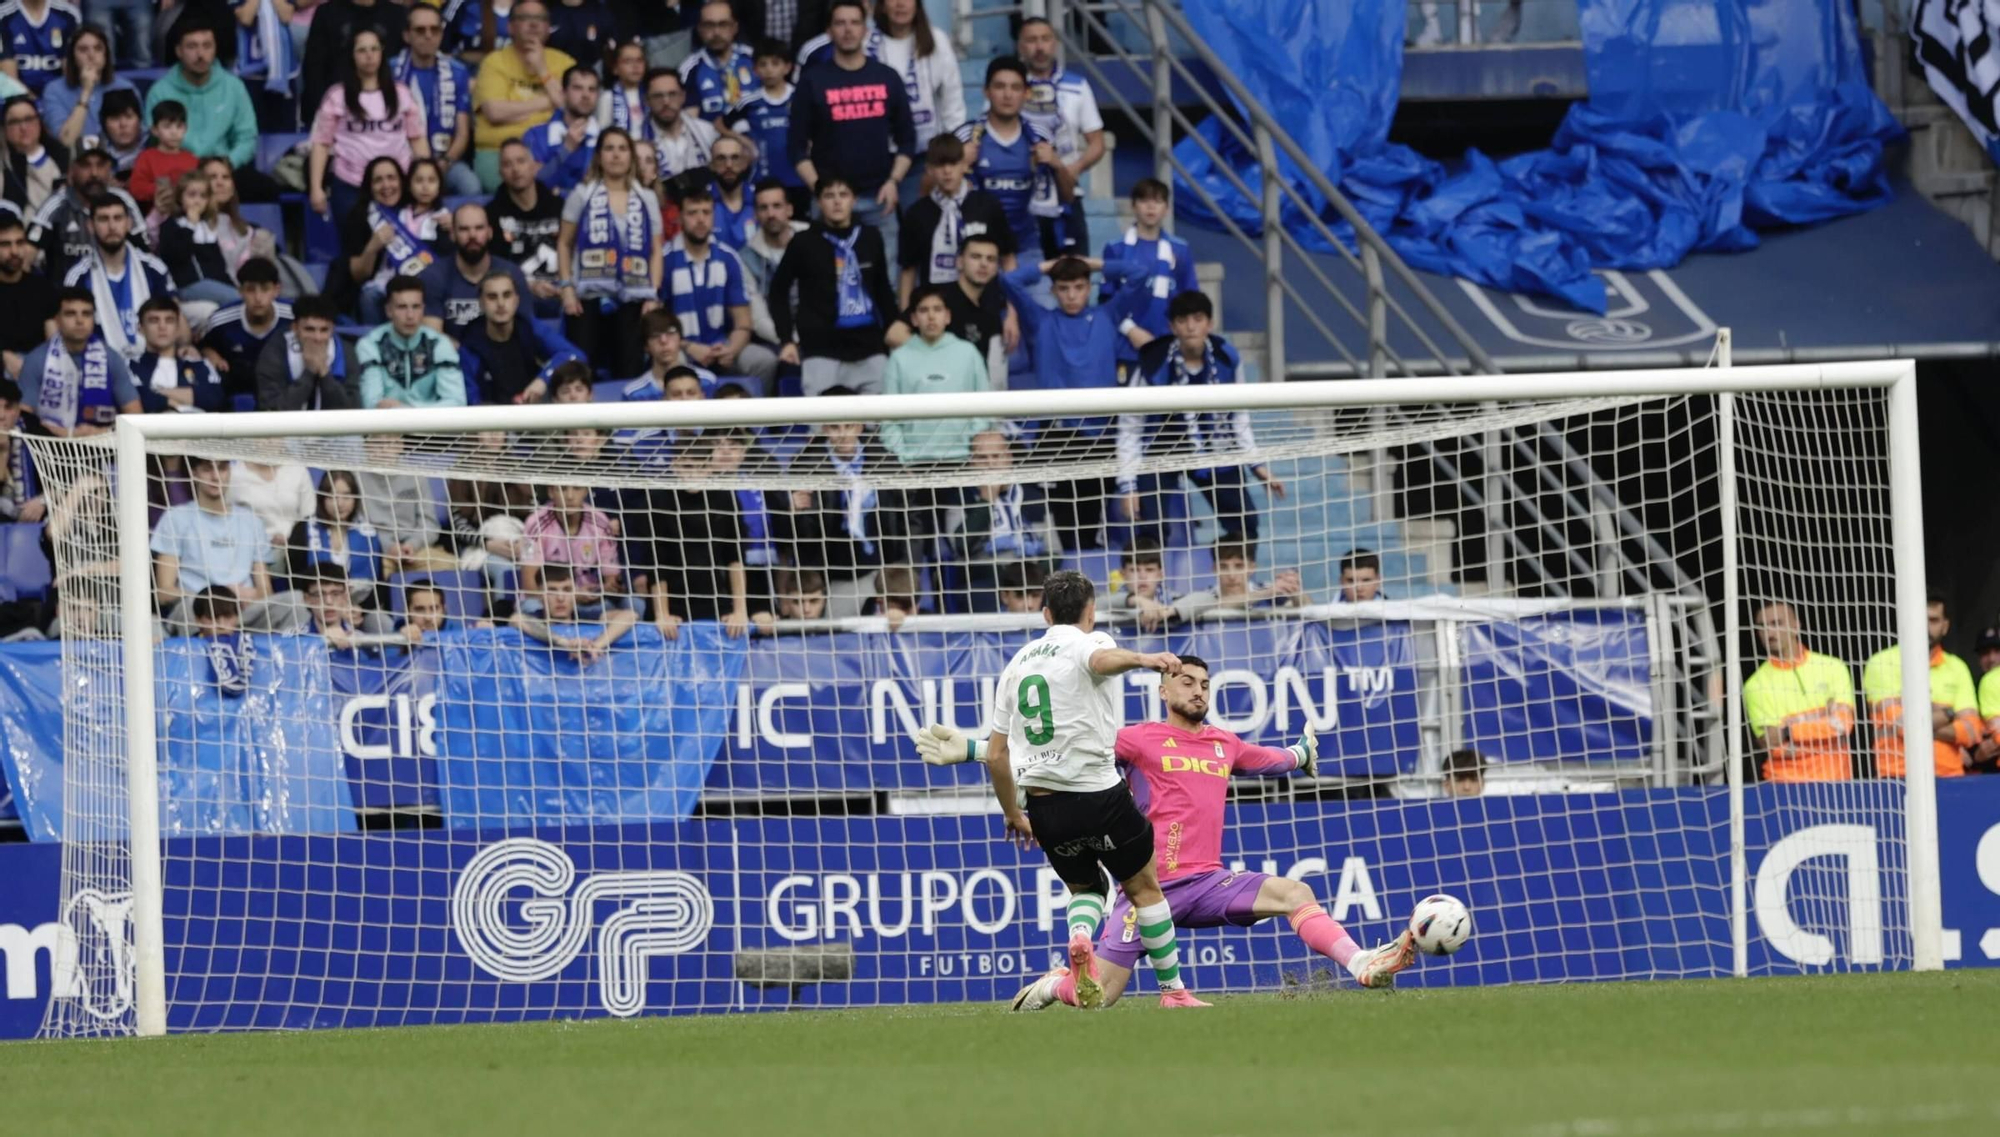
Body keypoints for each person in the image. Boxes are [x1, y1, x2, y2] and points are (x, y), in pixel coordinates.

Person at [922, 653, 1415, 1010]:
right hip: (1145, 889)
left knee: (1294, 891)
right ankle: (1055, 985)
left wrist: (1302, 754)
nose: (1198, 690)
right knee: (1103, 997)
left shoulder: (1226, 744)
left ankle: (1362, 965)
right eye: (1186, 682)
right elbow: (1059, 753)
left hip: (1207, 884)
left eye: (1204, 684)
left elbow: (1277, 761)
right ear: (1163, 689)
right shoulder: (1136, 739)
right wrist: (972, 748)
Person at [966, 569, 1204, 1008]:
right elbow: (1099, 663)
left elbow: (998, 756)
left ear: (1045, 614)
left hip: (1044, 807)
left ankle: (1079, 936)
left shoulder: (1016, 665)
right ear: (1091, 612)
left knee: (1088, 889)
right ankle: (1174, 992)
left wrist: (1012, 813)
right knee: (1145, 887)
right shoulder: (1091, 642)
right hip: (1099, 795)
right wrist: (1145, 659)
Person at [1002, 255, 1152, 552]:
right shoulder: (1040, 321)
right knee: (1065, 524)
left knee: (1094, 520)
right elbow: (1008, 280)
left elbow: (1140, 271)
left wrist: (1089, 262)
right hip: (1056, 436)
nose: (1072, 295)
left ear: (1090, 288)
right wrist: (1049, 265)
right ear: (1053, 290)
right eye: (1064, 288)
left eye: (1079, 287)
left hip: (1101, 437)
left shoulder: (1108, 315)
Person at [1118, 290, 1284, 546]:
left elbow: (1238, 416)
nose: (1191, 327)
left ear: (1210, 323)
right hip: (1162, 452)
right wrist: (1129, 485)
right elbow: (1130, 426)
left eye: (1198, 318)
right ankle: (1151, 584)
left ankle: (1239, 581)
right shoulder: (1153, 361)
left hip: (1215, 450)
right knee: (1148, 526)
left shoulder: (1227, 358)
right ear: (1172, 326)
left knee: (1245, 523)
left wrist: (1257, 465)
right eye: (1183, 320)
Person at [789, 1, 913, 258]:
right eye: (840, 23)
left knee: (885, 285)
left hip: (879, 199)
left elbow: (907, 140)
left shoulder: (887, 77)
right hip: (828, 202)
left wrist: (893, 182)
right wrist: (820, 191)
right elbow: (796, 147)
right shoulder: (813, 81)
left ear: (865, 30)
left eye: (855, 23)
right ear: (829, 31)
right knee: (827, 285)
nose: (848, 30)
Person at [768, 174, 895, 396]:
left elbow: (883, 290)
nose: (837, 201)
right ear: (819, 202)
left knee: (879, 427)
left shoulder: (871, 237)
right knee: (823, 427)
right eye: (829, 195)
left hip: (869, 348)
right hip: (821, 350)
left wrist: (894, 328)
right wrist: (786, 339)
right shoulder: (803, 242)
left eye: (843, 194)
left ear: (854, 200)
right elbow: (778, 292)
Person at [556, 126, 663, 379]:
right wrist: (566, 288)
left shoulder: (646, 198)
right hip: (587, 297)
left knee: (630, 368)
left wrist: (653, 294)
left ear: (631, 156)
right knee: (581, 369)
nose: (616, 155)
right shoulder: (582, 194)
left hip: (634, 295)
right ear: (599, 156)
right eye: (609, 148)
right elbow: (564, 243)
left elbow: (656, 250)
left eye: (622, 149)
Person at [634, 428, 755, 638]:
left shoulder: (724, 498)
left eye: (702, 467)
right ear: (675, 464)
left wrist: (740, 610)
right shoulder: (658, 501)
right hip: (671, 604)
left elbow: (735, 559)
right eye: (688, 466)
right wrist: (662, 614)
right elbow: (656, 563)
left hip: (714, 600)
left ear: (711, 467)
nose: (694, 473)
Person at [955, 55, 1070, 271]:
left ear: (1026, 93)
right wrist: (958, 164)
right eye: (999, 87)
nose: (1007, 95)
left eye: (1015, 87)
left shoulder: (1039, 136)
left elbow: (1069, 196)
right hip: (977, 250)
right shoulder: (966, 136)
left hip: (1026, 247)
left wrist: (1057, 164)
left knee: (1039, 303)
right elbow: (928, 190)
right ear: (986, 91)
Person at [309, 27, 428, 225]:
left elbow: (417, 139)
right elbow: (321, 143)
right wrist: (316, 187)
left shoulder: (402, 93)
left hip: (396, 184)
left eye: (374, 49)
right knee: (355, 250)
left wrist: (423, 180)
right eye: (362, 50)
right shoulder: (337, 95)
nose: (369, 55)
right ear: (352, 56)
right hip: (350, 183)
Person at [151, 454, 281, 634]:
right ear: (194, 473)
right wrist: (216, 598)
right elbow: (164, 592)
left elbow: (266, 591)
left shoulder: (251, 520)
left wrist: (249, 596)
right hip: (198, 610)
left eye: (222, 468)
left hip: (243, 611)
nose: (216, 476)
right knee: (189, 610)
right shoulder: (175, 518)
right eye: (207, 469)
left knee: (294, 603)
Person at [778, 404, 890, 612]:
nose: (843, 434)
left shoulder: (884, 458)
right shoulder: (804, 466)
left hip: (880, 566)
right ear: (825, 429)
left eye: (848, 426)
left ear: (860, 427)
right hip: (830, 571)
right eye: (835, 427)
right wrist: (792, 512)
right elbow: (790, 537)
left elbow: (907, 515)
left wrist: (904, 563)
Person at [663, 184, 775, 385]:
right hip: (681, 348)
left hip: (721, 347)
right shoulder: (665, 259)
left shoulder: (728, 257)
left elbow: (743, 323)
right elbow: (656, 326)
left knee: (764, 361)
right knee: (673, 364)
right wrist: (688, 347)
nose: (700, 219)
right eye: (692, 213)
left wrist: (731, 349)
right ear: (679, 218)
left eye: (706, 212)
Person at [1861, 593, 1980, 781]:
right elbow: (1901, 726)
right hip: (1896, 777)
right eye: (1918, 617)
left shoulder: (1957, 667)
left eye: (1933, 620)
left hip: (1950, 776)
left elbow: (1972, 731)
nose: (1925, 626)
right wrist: (1949, 714)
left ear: (1945, 626)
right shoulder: (1881, 663)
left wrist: (1917, 722)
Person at [144, 24, 268, 200]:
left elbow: (247, 137)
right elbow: (154, 138)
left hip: (224, 165)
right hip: (178, 171)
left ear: (215, 48)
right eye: (192, 46)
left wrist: (225, 165)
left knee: (266, 189)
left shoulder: (233, 86)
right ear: (179, 51)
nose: (200, 54)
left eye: (207, 46)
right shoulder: (160, 91)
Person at [1017, 16, 1103, 257]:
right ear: (1021, 47)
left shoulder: (1078, 86)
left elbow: (1097, 142)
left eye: (1045, 39)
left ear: (1055, 43)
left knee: (1073, 276)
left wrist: (1075, 168)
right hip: (1022, 197)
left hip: (1066, 195)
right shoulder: (1010, 87)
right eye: (1032, 40)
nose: (1040, 47)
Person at [1743, 601, 1855, 782]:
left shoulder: (1832, 667)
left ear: (1796, 626)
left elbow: (1843, 725)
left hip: (1836, 784)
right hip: (1783, 787)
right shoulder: (1755, 685)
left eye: (1776, 624)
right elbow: (1773, 747)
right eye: (1762, 627)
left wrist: (1787, 730)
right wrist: (1824, 725)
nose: (1769, 634)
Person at [471, 0, 575, 192]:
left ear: (548, 27)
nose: (534, 24)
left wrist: (542, 69)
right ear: (510, 26)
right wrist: (547, 102)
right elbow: (494, 112)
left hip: (551, 152)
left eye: (540, 19)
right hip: (497, 151)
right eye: (525, 18)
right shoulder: (494, 62)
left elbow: (572, 110)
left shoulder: (564, 62)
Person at [885, 230, 1011, 385]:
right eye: (975, 257)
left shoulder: (991, 307)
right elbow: (894, 335)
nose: (983, 264)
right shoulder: (940, 296)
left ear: (996, 268)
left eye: (990, 259)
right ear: (959, 262)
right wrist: (940, 360)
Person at [898, 132, 1011, 303]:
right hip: (936, 312)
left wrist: (1012, 312)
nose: (947, 171)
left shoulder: (988, 205)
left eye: (953, 163)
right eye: (940, 164)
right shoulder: (916, 214)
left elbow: (1008, 258)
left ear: (964, 166)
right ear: (929, 169)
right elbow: (908, 271)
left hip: (984, 305)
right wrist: (905, 319)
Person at [1099, 179, 1195, 373]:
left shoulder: (1181, 250)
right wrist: (1131, 331)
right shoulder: (1115, 249)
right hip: (1127, 347)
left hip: (1170, 346)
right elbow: (1106, 299)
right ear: (1133, 206)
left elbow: (1190, 300)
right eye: (1144, 201)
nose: (1151, 207)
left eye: (1158, 201)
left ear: (1167, 208)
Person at [61, 190, 170, 359]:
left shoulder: (154, 268)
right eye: (104, 219)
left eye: (118, 218)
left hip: (151, 362)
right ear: (90, 226)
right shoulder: (78, 276)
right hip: (99, 364)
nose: (112, 226)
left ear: (129, 223)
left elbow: (173, 317)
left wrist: (185, 346)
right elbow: (68, 330)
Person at [341, 156, 447, 325]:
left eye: (431, 180)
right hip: (387, 281)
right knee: (369, 296)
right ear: (410, 184)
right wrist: (372, 247)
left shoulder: (444, 219)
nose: (425, 186)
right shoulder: (389, 214)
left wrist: (454, 224)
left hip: (425, 283)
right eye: (419, 180)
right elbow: (358, 273)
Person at [953, 429, 1051, 611]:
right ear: (971, 462)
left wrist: (1029, 575)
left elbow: (1055, 551)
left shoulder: (1033, 496)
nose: (990, 463)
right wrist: (985, 501)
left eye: (996, 456)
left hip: (1033, 581)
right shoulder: (958, 497)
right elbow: (959, 545)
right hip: (986, 582)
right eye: (982, 458)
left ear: (1009, 457)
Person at [393, 2, 481, 198]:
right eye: (420, 30)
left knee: (471, 187)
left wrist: (446, 162)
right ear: (407, 35)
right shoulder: (391, 71)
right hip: (401, 159)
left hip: (446, 160)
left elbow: (462, 132)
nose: (428, 35)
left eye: (434, 29)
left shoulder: (457, 72)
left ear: (441, 34)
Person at [20, 284, 133, 434]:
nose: (80, 320)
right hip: (49, 449)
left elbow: (134, 416)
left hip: (103, 448)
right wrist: (69, 434)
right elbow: (22, 417)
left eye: (86, 314)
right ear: (57, 320)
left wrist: (101, 433)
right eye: (70, 314)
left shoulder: (111, 358)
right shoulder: (37, 360)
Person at [458, 268, 581, 403]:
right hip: (491, 418)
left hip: (533, 412)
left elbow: (574, 355)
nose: (500, 304)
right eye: (492, 297)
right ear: (481, 303)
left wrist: (542, 380)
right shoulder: (470, 344)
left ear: (516, 300)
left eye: (507, 295)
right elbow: (472, 402)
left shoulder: (528, 326)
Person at [419, 202, 532, 337]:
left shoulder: (512, 274)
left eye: (479, 228)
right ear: (452, 234)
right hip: (451, 356)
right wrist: (468, 356)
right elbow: (433, 337)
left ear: (489, 233)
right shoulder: (433, 276)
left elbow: (526, 331)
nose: (472, 235)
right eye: (464, 229)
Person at [28, 142, 135, 281]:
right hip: (66, 297)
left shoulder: (123, 201)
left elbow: (145, 253)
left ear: (109, 168)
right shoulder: (56, 205)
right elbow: (26, 255)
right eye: (86, 165)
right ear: (72, 170)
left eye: (100, 165)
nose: (94, 173)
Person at [356, 275, 464, 410]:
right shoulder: (370, 345)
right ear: (388, 310)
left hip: (431, 428)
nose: (410, 316)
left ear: (423, 309)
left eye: (416, 307)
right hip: (386, 427)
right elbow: (371, 404)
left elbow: (456, 402)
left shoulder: (439, 344)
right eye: (402, 307)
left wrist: (406, 411)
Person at [355, 435, 456, 575]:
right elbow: (356, 525)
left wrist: (412, 544)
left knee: (452, 565)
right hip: (376, 551)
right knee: (374, 571)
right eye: (377, 444)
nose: (384, 450)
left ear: (400, 445)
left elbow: (429, 522)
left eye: (390, 443)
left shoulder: (415, 476)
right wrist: (388, 546)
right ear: (366, 447)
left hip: (416, 550)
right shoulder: (355, 478)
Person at [300, 0, 408, 127]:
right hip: (337, 111)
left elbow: (405, 68)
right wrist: (323, 115)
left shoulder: (397, 14)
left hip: (387, 110)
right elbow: (313, 70)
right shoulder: (326, 13)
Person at [519, 482, 623, 611]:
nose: (569, 496)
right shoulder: (534, 524)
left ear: (586, 491)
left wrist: (602, 590)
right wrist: (571, 596)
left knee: (626, 605)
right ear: (551, 492)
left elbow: (611, 580)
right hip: (548, 601)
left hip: (589, 602)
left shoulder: (600, 522)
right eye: (562, 489)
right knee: (530, 607)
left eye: (577, 488)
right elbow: (530, 586)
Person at [197, 255, 288, 400]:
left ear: (276, 290)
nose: (258, 297)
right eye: (251, 290)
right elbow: (202, 346)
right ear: (240, 291)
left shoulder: (294, 317)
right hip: (236, 382)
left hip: (282, 382)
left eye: (265, 289)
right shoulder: (220, 320)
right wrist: (210, 354)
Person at [727, 38, 802, 213]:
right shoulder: (749, 101)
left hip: (798, 179)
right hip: (763, 179)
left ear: (787, 67)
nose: (769, 70)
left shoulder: (800, 97)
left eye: (775, 64)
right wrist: (743, 141)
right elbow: (720, 124)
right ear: (755, 69)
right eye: (763, 64)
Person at [511, 562, 637, 664]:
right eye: (552, 590)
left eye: (567, 590)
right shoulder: (536, 618)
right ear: (540, 594)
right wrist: (566, 643)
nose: (560, 598)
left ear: (575, 593)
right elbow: (516, 619)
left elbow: (630, 615)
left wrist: (596, 645)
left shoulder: (584, 617)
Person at [488, 138, 564, 305]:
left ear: (535, 167)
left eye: (521, 161)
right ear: (500, 172)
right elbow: (495, 266)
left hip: (561, 289)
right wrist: (528, 286)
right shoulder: (491, 214)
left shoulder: (560, 207)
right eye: (507, 164)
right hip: (514, 296)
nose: (515, 169)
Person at [288, 469, 382, 600]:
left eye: (346, 496)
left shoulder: (369, 533)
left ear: (356, 498)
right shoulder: (303, 529)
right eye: (332, 496)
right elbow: (294, 580)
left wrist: (359, 610)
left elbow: (378, 586)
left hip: (358, 608)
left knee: (382, 621)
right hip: (314, 604)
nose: (340, 504)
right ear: (322, 499)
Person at [41, 25, 137, 153]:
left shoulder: (125, 87)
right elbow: (66, 141)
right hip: (77, 161)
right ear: (73, 57)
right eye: (83, 49)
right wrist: (86, 91)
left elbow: (139, 137)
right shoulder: (54, 91)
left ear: (106, 54)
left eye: (98, 49)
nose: (91, 55)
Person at [256, 294, 358, 411]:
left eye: (324, 330)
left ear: (332, 329)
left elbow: (351, 411)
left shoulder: (346, 352)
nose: (317, 338)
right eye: (309, 329)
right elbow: (273, 409)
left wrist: (324, 373)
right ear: (295, 328)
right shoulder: (275, 350)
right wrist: (309, 372)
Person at [155, 167, 239, 307]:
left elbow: (219, 267)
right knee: (240, 301)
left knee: (240, 297)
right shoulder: (171, 225)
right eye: (192, 195)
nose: (197, 201)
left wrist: (231, 287)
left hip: (212, 286)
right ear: (180, 198)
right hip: (186, 286)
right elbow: (177, 256)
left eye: (203, 196)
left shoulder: (207, 226)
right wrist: (190, 227)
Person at [1169, 539, 1309, 622]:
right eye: (1223, 567)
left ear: (1252, 568)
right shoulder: (1205, 596)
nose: (1231, 575)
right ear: (1214, 569)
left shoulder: (1267, 589)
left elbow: (1308, 609)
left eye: (1239, 566)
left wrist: (1296, 593)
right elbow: (1220, 604)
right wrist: (1267, 593)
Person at [129, 293, 225, 413]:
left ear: (178, 328)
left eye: (169, 320)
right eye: (154, 320)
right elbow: (135, 400)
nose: (162, 326)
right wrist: (184, 398)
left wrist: (158, 391)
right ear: (140, 328)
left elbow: (214, 398)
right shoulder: (129, 364)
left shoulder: (199, 364)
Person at [738, 176, 802, 343]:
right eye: (763, 208)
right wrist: (790, 341)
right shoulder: (746, 257)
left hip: (818, 334)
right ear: (756, 214)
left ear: (789, 209)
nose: (771, 214)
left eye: (777, 206)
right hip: (776, 339)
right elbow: (759, 319)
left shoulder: (812, 239)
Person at [198, 156, 279, 281]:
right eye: (212, 177)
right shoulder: (187, 227)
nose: (220, 183)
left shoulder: (252, 233)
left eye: (226, 177)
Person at [525, 63, 599, 190]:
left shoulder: (606, 138)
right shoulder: (536, 136)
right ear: (563, 93)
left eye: (592, 89)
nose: (586, 95)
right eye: (578, 88)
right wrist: (567, 148)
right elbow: (533, 187)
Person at [677, 1, 754, 123]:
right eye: (709, 25)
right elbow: (689, 121)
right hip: (710, 139)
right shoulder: (689, 69)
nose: (716, 32)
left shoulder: (754, 59)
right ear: (699, 29)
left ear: (734, 28)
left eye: (723, 24)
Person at [0, 212, 56, 376]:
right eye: (5, 245)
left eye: (20, 243)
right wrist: (3, 356)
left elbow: (53, 340)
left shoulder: (41, 287)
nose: (15, 251)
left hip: (37, 371)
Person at [636, 65, 716, 181]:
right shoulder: (637, 138)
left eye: (672, 94)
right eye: (658, 96)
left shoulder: (707, 131)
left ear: (683, 97)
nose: (666, 102)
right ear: (646, 101)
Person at [299, 562, 399, 651]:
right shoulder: (294, 640)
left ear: (346, 595)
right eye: (319, 594)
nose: (328, 602)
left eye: (335, 593)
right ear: (307, 599)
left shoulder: (365, 645)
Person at [1, 0, 81, 97]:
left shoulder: (69, 14)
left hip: (57, 98)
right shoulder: (3, 16)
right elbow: (10, 78)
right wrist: (34, 104)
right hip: (18, 99)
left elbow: (69, 73)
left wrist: (53, 103)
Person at [128, 97, 195, 213]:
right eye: (167, 126)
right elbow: (136, 187)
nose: (174, 132)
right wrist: (161, 190)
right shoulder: (147, 157)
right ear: (154, 130)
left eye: (179, 126)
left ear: (186, 129)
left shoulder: (192, 159)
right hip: (157, 216)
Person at [0, 94, 58, 217]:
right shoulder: (2, 166)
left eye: (29, 119)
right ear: (4, 129)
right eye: (14, 122)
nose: (23, 127)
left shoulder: (61, 159)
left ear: (39, 122)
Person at [705, 133, 755, 249]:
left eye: (735, 158)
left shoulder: (760, 199)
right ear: (711, 165)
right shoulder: (701, 200)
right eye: (721, 158)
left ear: (744, 164)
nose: (728, 165)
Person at [596, 38, 648, 132]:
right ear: (615, 68)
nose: (635, 66)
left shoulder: (650, 94)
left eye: (639, 60)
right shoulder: (608, 97)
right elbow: (603, 132)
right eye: (628, 61)